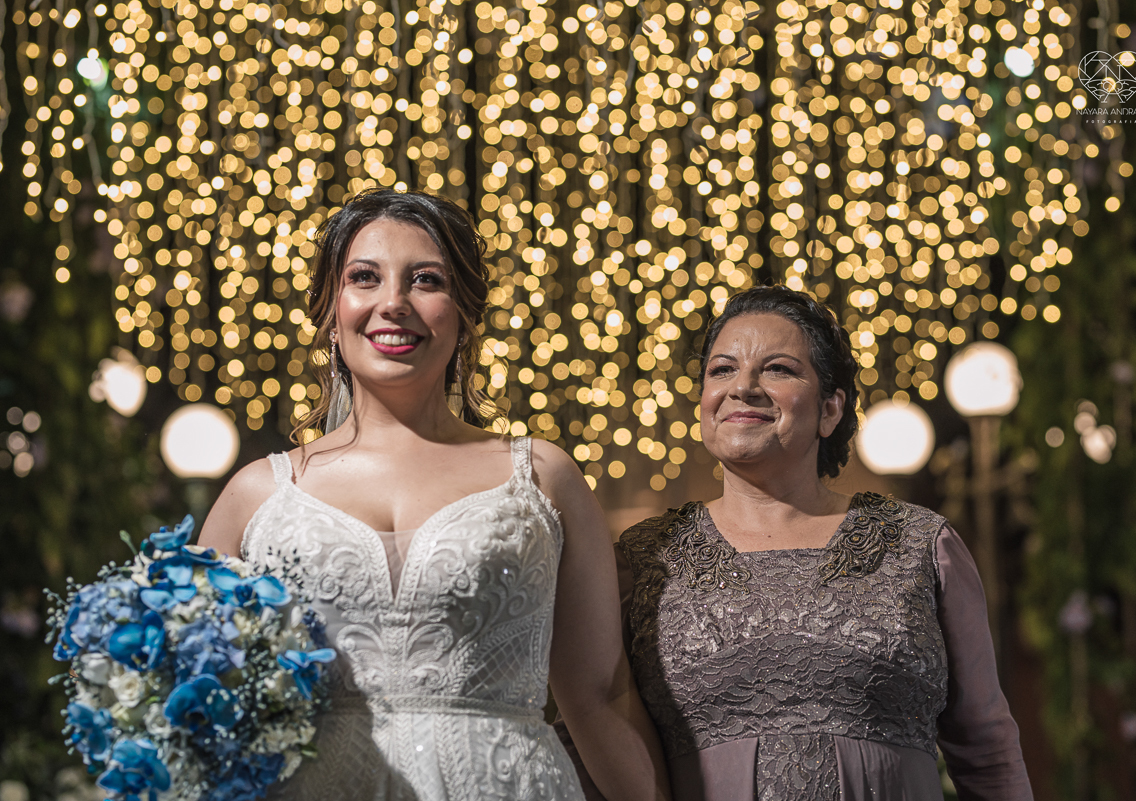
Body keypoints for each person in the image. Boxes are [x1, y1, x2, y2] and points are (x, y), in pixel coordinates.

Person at [199, 188, 670, 801]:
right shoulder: (256, 495)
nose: (393, 303)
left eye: (425, 280)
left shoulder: (544, 478)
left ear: (465, 314)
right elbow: (196, 686)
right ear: (330, 310)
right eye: (364, 278)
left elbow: (599, 695)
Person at [558, 285, 1033, 800]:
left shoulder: (920, 545)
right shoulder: (645, 557)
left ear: (830, 410)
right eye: (722, 370)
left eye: (778, 369)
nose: (743, 387)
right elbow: (585, 737)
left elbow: (988, 750)